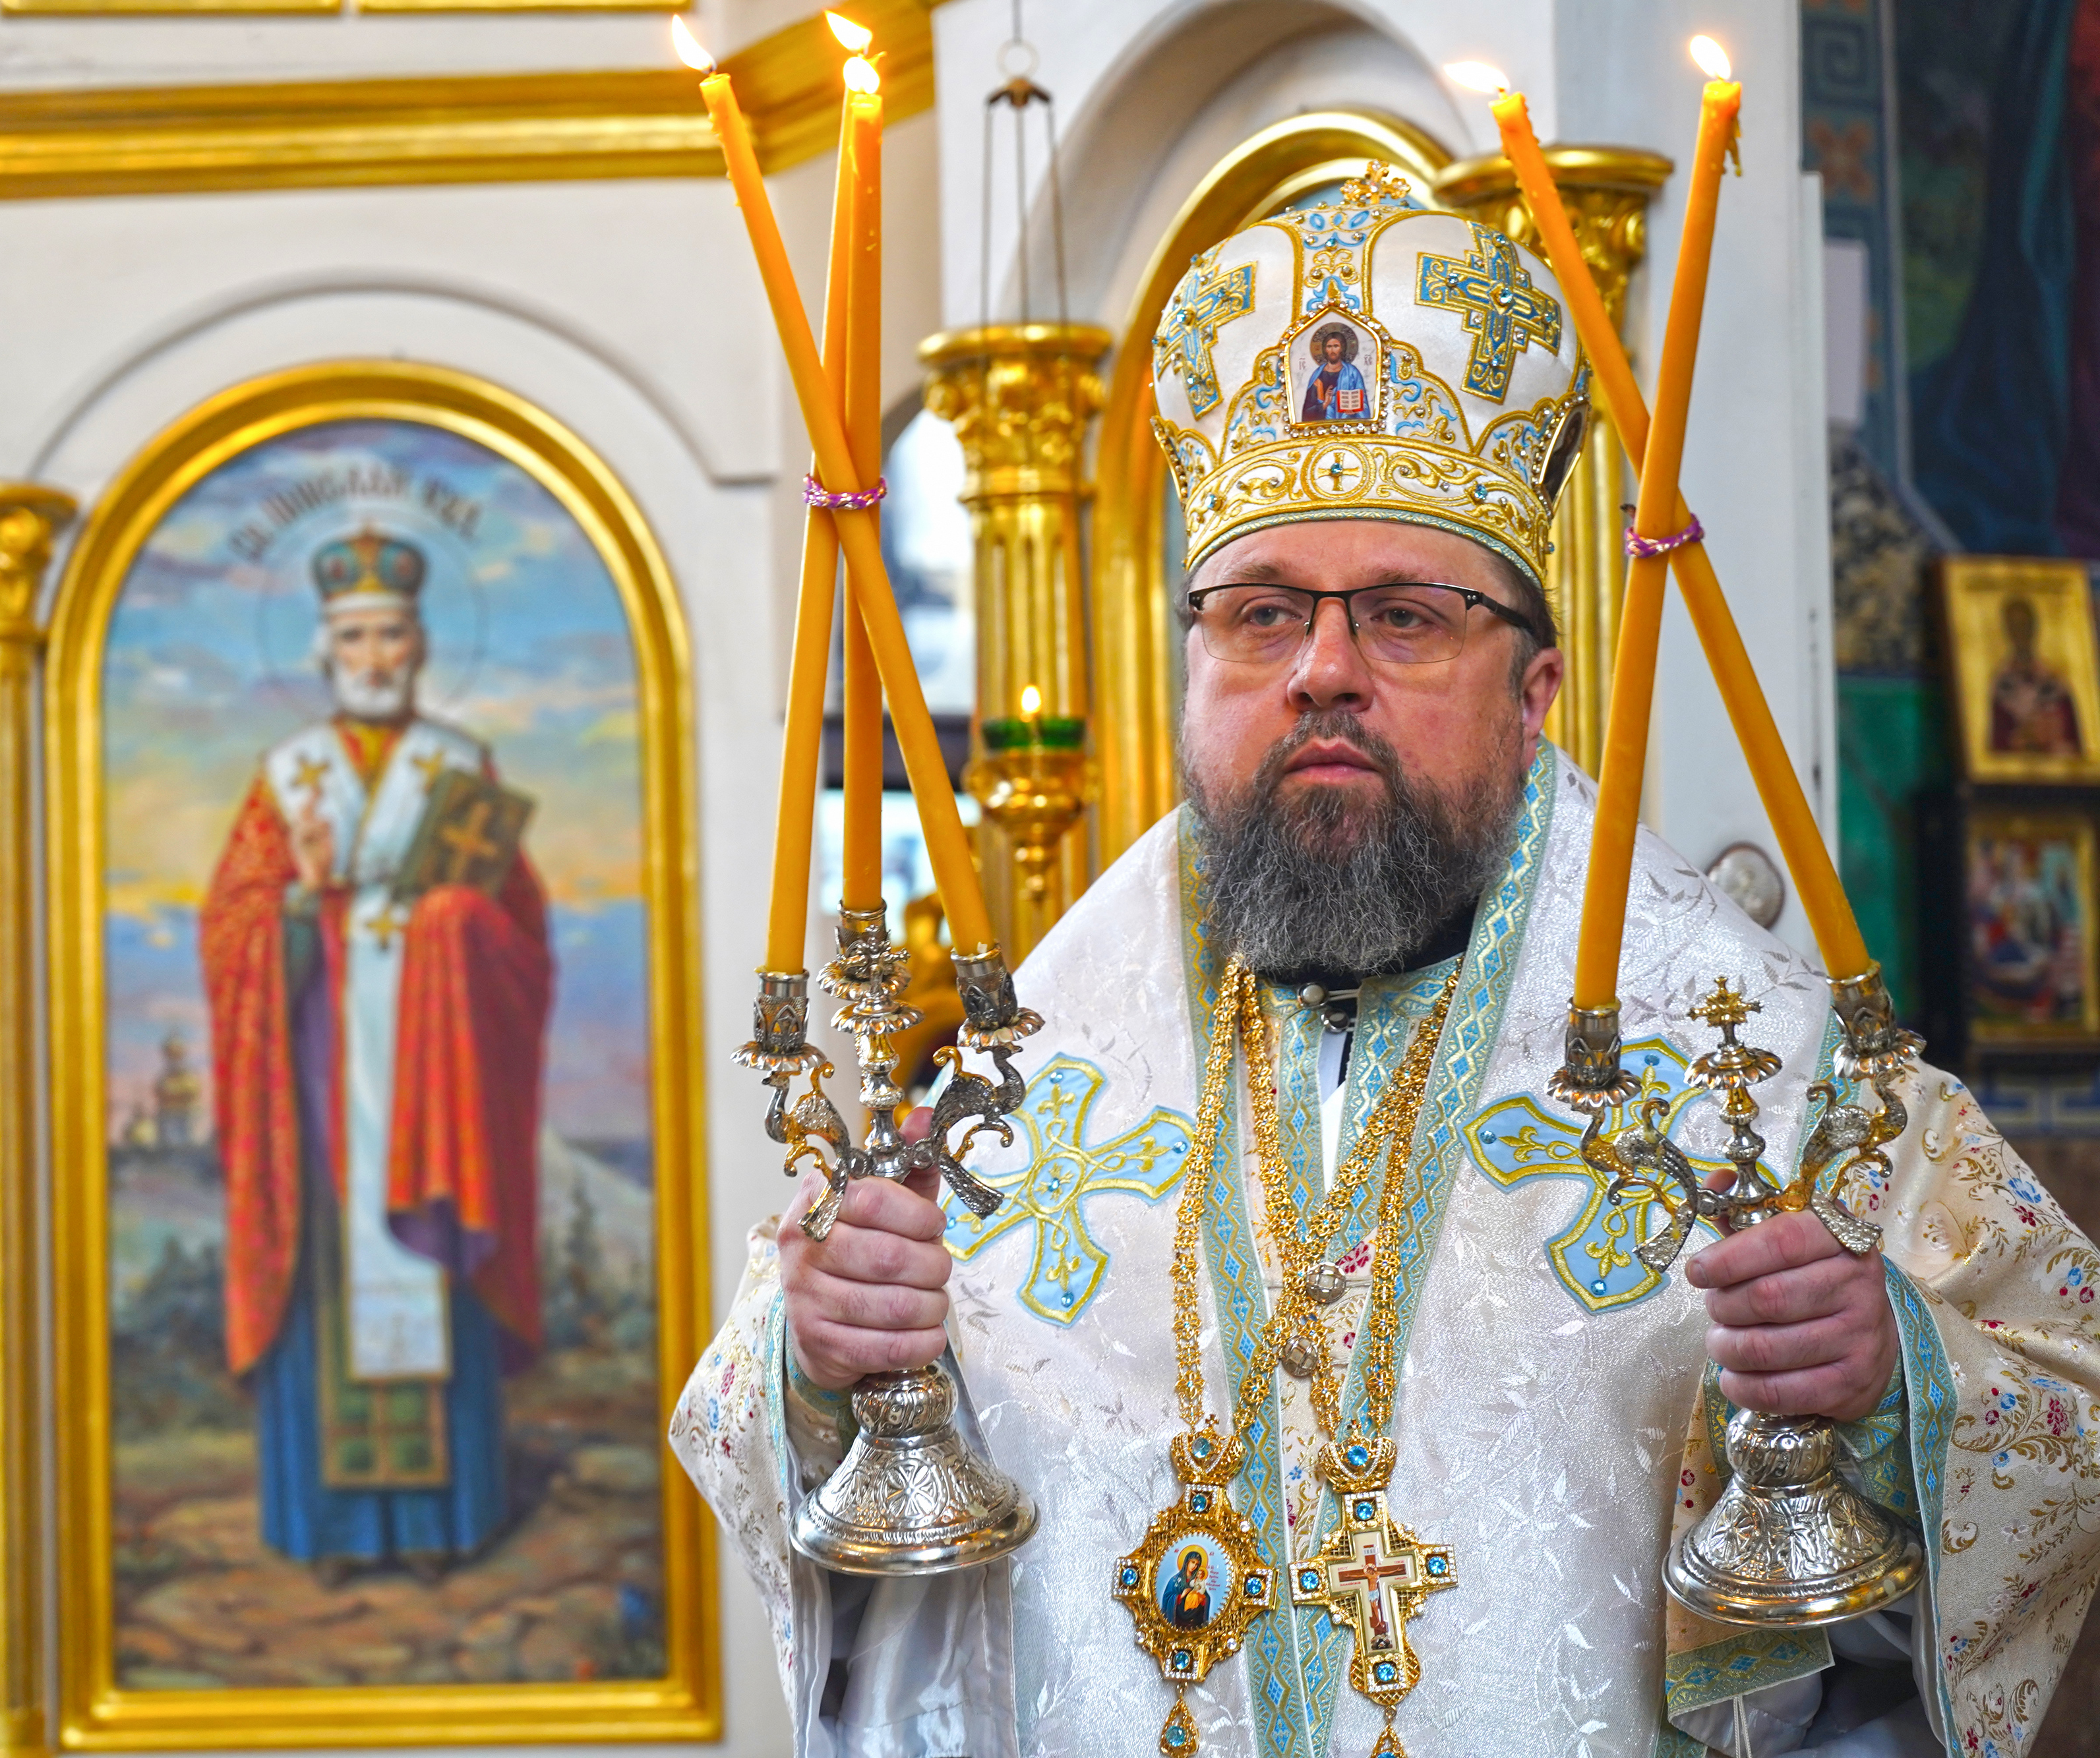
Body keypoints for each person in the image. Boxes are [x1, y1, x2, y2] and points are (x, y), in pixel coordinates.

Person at [671, 173, 2100, 1758]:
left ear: (1536, 687)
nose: (1323, 673)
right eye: (1260, 616)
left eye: (1406, 620)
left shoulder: (1758, 1072)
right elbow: (766, 1422)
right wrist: (816, 1362)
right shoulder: (1025, 1073)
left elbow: (2060, 1389)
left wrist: (1888, 1380)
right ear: (1193, 658)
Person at [199, 524, 552, 1583]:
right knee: (330, 1272)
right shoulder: (287, 776)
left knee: (428, 1262)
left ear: (421, 642)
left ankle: (444, 1521)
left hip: (436, 1090)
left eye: (391, 633)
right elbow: (231, 927)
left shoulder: (460, 768)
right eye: (353, 634)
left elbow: (521, 939)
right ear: (323, 646)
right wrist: (300, 903)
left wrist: (454, 921)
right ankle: (334, 1530)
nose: (373, 654)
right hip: (316, 1081)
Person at [1987, 593, 2083, 754]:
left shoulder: (2054, 681)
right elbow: (1998, 744)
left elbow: (2072, 738)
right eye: (2015, 627)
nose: (2021, 633)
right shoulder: (2002, 683)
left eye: (2025, 626)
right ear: (2007, 631)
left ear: (2034, 628)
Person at [1301, 321, 1370, 421]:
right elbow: (1307, 412)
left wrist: (1355, 410)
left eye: (1336, 346)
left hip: (1347, 423)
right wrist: (1324, 405)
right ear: (1325, 350)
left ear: (1342, 348)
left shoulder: (1352, 373)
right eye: (1329, 347)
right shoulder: (1318, 375)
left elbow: (1363, 404)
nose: (1332, 350)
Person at [1160, 1547, 1213, 1631]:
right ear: (1186, 1562)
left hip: (1195, 1621)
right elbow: (1167, 1597)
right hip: (1178, 1621)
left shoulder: (1197, 1580)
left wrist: (1202, 1599)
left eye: (1197, 1564)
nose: (1194, 1566)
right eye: (1193, 1562)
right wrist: (1180, 1596)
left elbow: (1206, 1597)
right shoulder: (1175, 1580)